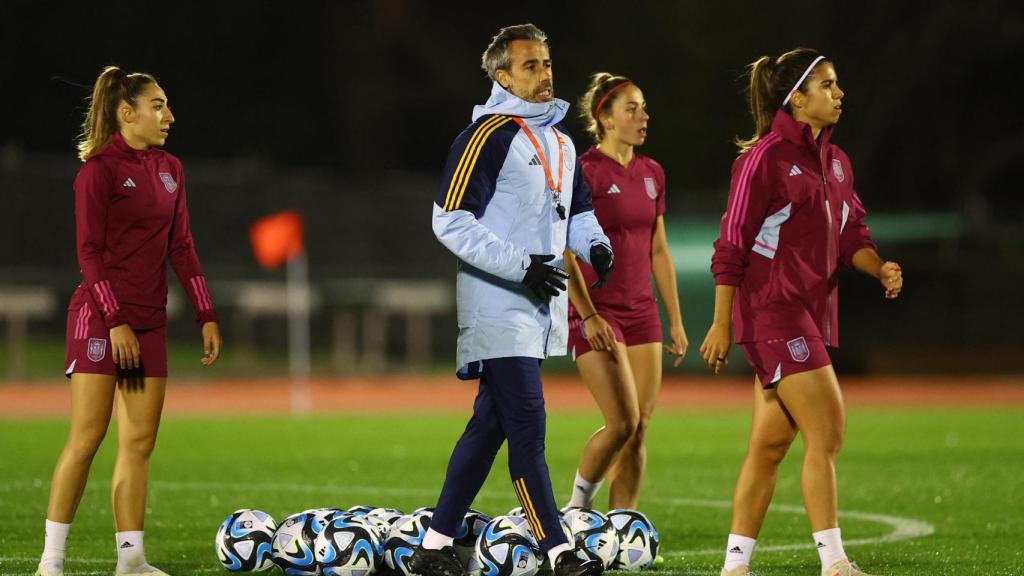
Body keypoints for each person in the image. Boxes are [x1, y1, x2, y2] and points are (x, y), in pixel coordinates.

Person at [409, 24, 613, 576]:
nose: (544, 74)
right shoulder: (488, 134)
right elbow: (448, 220)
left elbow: (577, 214)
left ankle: (433, 547)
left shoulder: (562, 142)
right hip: (497, 303)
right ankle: (557, 551)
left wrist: (595, 245)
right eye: (529, 66)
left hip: (539, 306)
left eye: (547, 63)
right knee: (527, 423)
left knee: (490, 427)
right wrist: (521, 266)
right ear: (502, 76)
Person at [699, 48, 903, 576]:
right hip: (773, 312)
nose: (839, 94)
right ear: (798, 98)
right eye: (829, 85)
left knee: (769, 446)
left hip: (808, 315)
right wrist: (722, 322)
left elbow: (852, 234)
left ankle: (734, 566)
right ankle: (835, 564)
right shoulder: (764, 158)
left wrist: (877, 267)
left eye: (837, 85)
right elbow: (731, 244)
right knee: (828, 428)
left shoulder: (836, 161)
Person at [36, 66, 222, 576]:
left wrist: (205, 311)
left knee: (139, 443)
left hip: (149, 324)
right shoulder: (97, 171)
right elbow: (88, 253)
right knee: (87, 436)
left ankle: (131, 560)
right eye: (158, 105)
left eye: (166, 105)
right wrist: (114, 321)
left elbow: (181, 247)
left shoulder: (171, 169)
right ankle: (52, 560)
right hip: (100, 321)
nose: (169, 115)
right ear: (127, 112)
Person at [562, 73, 687, 511]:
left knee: (640, 428)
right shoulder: (583, 172)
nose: (643, 116)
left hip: (641, 313)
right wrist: (588, 314)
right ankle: (576, 511)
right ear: (606, 119)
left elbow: (658, 248)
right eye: (631, 108)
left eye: (644, 107)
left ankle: (621, 529)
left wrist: (674, 318)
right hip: (598, 312)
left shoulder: (653, 172)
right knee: (621, 422)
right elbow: (563, 250)